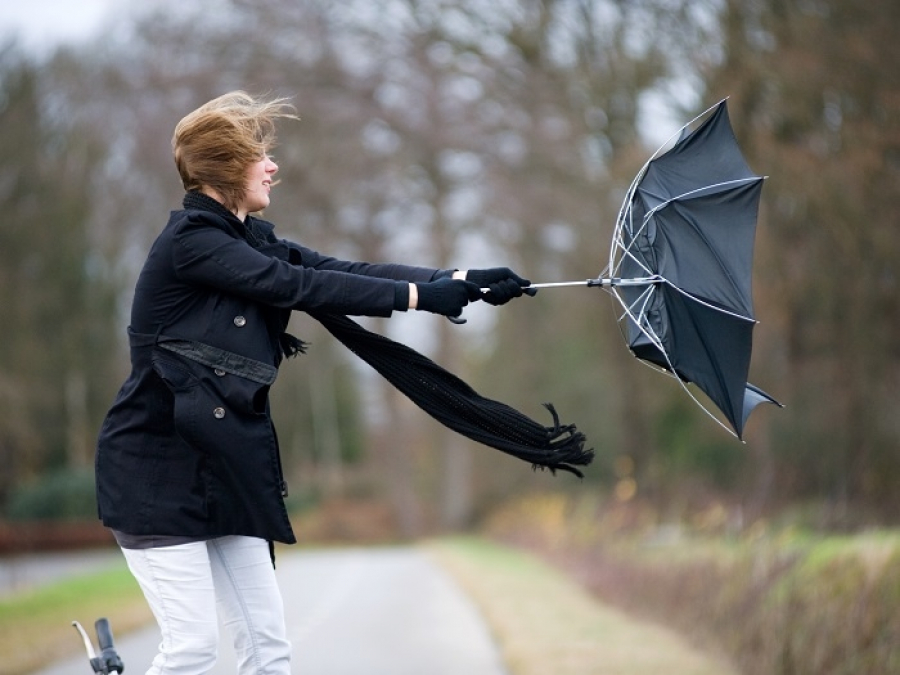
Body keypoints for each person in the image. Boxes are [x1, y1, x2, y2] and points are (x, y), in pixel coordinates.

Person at [94, 91, 533, 675]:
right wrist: (421, 296)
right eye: (259, 156)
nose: (272, 166)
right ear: (226, 167)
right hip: (156, 474)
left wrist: (457, 279)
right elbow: (294, 287)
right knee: (193, 650)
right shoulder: (192, 244)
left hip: (226, 470)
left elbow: (336, 271)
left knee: (268, 649)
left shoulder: (249, 239)